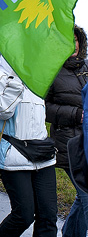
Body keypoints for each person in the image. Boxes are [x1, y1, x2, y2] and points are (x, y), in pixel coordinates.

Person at [0, 57, 57, 237]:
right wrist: (17, 82)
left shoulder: (37, 79)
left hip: (43, 157)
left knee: (48, 216)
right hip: (14, 155)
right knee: (23, 216)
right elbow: (1, 112)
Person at [45, 25, 88, 237]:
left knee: (84, 195)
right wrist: (75, 114)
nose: (73, 44)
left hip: (87, 139)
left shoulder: (86, 68)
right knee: (87, 194)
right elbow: (44, 108)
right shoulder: (52, 70)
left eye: (76, 39)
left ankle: (70, 232)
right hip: (69, 144)